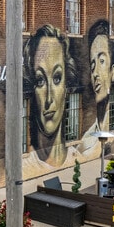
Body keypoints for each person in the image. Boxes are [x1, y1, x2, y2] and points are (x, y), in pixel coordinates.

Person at [23, 24, 77, 169]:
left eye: (57, 78)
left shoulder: (78, 157)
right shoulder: (24, 168)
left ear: (66, 86)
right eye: (40, 81)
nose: (49, 99)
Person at [82, 19, 114, 155]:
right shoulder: (86, 141)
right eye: (92, 65)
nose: (95, 73)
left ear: (113, 72)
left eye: (101, 61)